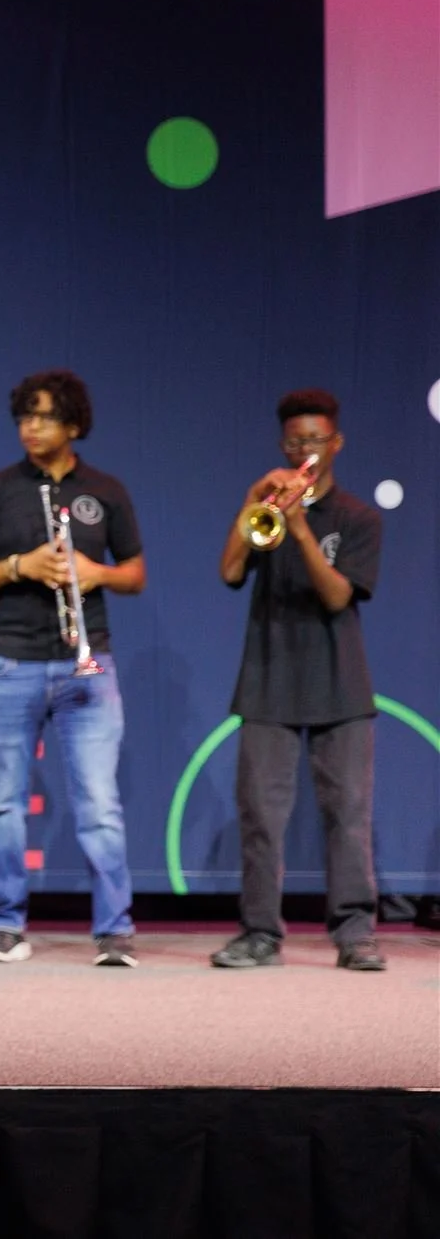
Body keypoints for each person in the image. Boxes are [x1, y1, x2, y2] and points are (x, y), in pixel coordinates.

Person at [0, 370, 146, 967]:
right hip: (12, 663)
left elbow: (134, 574)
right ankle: (4, 924)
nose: (30, 428)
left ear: (74, 425)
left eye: (43, 417)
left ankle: (113, 930)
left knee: (99, 804)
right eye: (24, 417)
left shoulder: (106, 490)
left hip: (86, 666)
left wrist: (97, 573)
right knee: (6, 803)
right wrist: (20, 566)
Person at [211, 389, 386, 973]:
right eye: (294, 441)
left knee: (348, 815)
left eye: (315, 440)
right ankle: (260, 933)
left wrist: (302, 527)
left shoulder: (359, 518)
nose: (304, 449)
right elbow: (231, 569)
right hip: (268, 681)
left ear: (335, 443)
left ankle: (355, 934)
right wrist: (250, 505)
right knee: (260, 815)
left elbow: (338, 595)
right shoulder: (267, 505)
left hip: (340, 683)